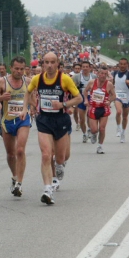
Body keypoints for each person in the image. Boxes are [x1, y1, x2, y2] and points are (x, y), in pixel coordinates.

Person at [20, 52, 82, 205]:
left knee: (60, 158)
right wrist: (24, 109)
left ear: (57, 64)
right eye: (46, 62)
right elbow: (27, 92)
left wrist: (64, 105)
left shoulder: (64, 79)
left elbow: (79, 98)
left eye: (52, 62)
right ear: (43, 64)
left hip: (61, 119)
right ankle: (47, 189)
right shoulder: (37, 79)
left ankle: (60, 165)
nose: (49, 65)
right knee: (46, 155)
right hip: (44, 120)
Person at [0, 56, 32, 197]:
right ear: (11, 68)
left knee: (20, 150)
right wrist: (1, 99)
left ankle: (19, 184)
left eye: (22, 69)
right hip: (7, 121)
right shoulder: (1, 82)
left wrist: (33, 108)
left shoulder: (28, 82)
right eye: (16, 68)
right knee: (10, 154)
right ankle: (15, 176)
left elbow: (34, 99)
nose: (19, 71)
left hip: (23, 120)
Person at [83, 65, 116, 154]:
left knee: (102, 128)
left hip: (104, 109)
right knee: (94, 129)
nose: (103, 75)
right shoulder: (92, 82)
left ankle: (100, 146)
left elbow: (114, 95)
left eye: (105, 74)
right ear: (98, 73)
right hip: (93, 108)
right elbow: (85, 91)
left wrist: (109, 101)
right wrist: (86, 100)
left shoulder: (109, 84)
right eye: (101, 73)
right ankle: (94, 134)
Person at [113, 58, 129, 142]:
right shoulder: (115, 73)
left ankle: (123, 133)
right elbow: (111, 83)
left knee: (124, 116)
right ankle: (118, 127)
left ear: (127, 65)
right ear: (119, 64)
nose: (122, 65)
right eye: (121, 64)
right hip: (118, 96)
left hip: (127, 96)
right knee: (119, 111)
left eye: (124, 64)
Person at [72, 61, 96, 142]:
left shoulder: (94, 76)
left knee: (90, 116)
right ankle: (84, 134)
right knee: (82, 119)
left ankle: (89, 129)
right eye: (83, 67)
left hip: (91, 97)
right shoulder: (76, 77)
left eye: (87, 67)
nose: (85, 68)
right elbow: (72, 87)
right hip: (81, 98)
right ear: (81, 68)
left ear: (90, 68)